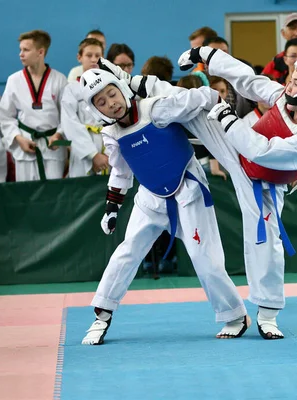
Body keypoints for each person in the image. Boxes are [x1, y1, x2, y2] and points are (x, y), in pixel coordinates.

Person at [175, 45, 297, 338]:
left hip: (263, 183)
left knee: (267, 242)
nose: (289, 85)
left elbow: (260, 151)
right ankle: (143, 93)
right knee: (201, 99)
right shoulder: (281, 97)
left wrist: (227, 118)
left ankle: (268, 315)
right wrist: (206, 55)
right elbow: (246, 79)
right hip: (235, 153)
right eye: (292, 78)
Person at [78, 68, 249, 345]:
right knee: (127, 251)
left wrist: (214, 101)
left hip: (189, 189)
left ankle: (234, 315)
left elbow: (199, 97)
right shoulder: (111, 134)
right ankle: (102, 314)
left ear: (122, 89)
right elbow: (120, 172)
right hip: (150, 198)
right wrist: (112, 207)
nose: (111, 103)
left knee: (205, 258)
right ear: (95, 109)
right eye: (101, 102)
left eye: (112, 94)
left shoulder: (157, 108)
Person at [0, 30, 68, 182]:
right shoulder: (14, 80)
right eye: (20, 50)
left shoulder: (59, 80)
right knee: (27, 196)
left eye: (26, 50)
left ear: (40, 52)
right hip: (25, 144)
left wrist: (59, 134)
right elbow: (5, 115)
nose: (20, 54)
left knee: (54, 195)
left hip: (52, 147)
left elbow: (68, 114)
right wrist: (18, 138)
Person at [60, 38, 109, 177]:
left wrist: (108, 153)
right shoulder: (71, 89)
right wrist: (93, 155)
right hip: (82, 152)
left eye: (98, 56)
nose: (94, 59)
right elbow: (69, 123)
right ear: (79, 57)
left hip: (108, 149)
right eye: (89, 55)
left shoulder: (111, 85)